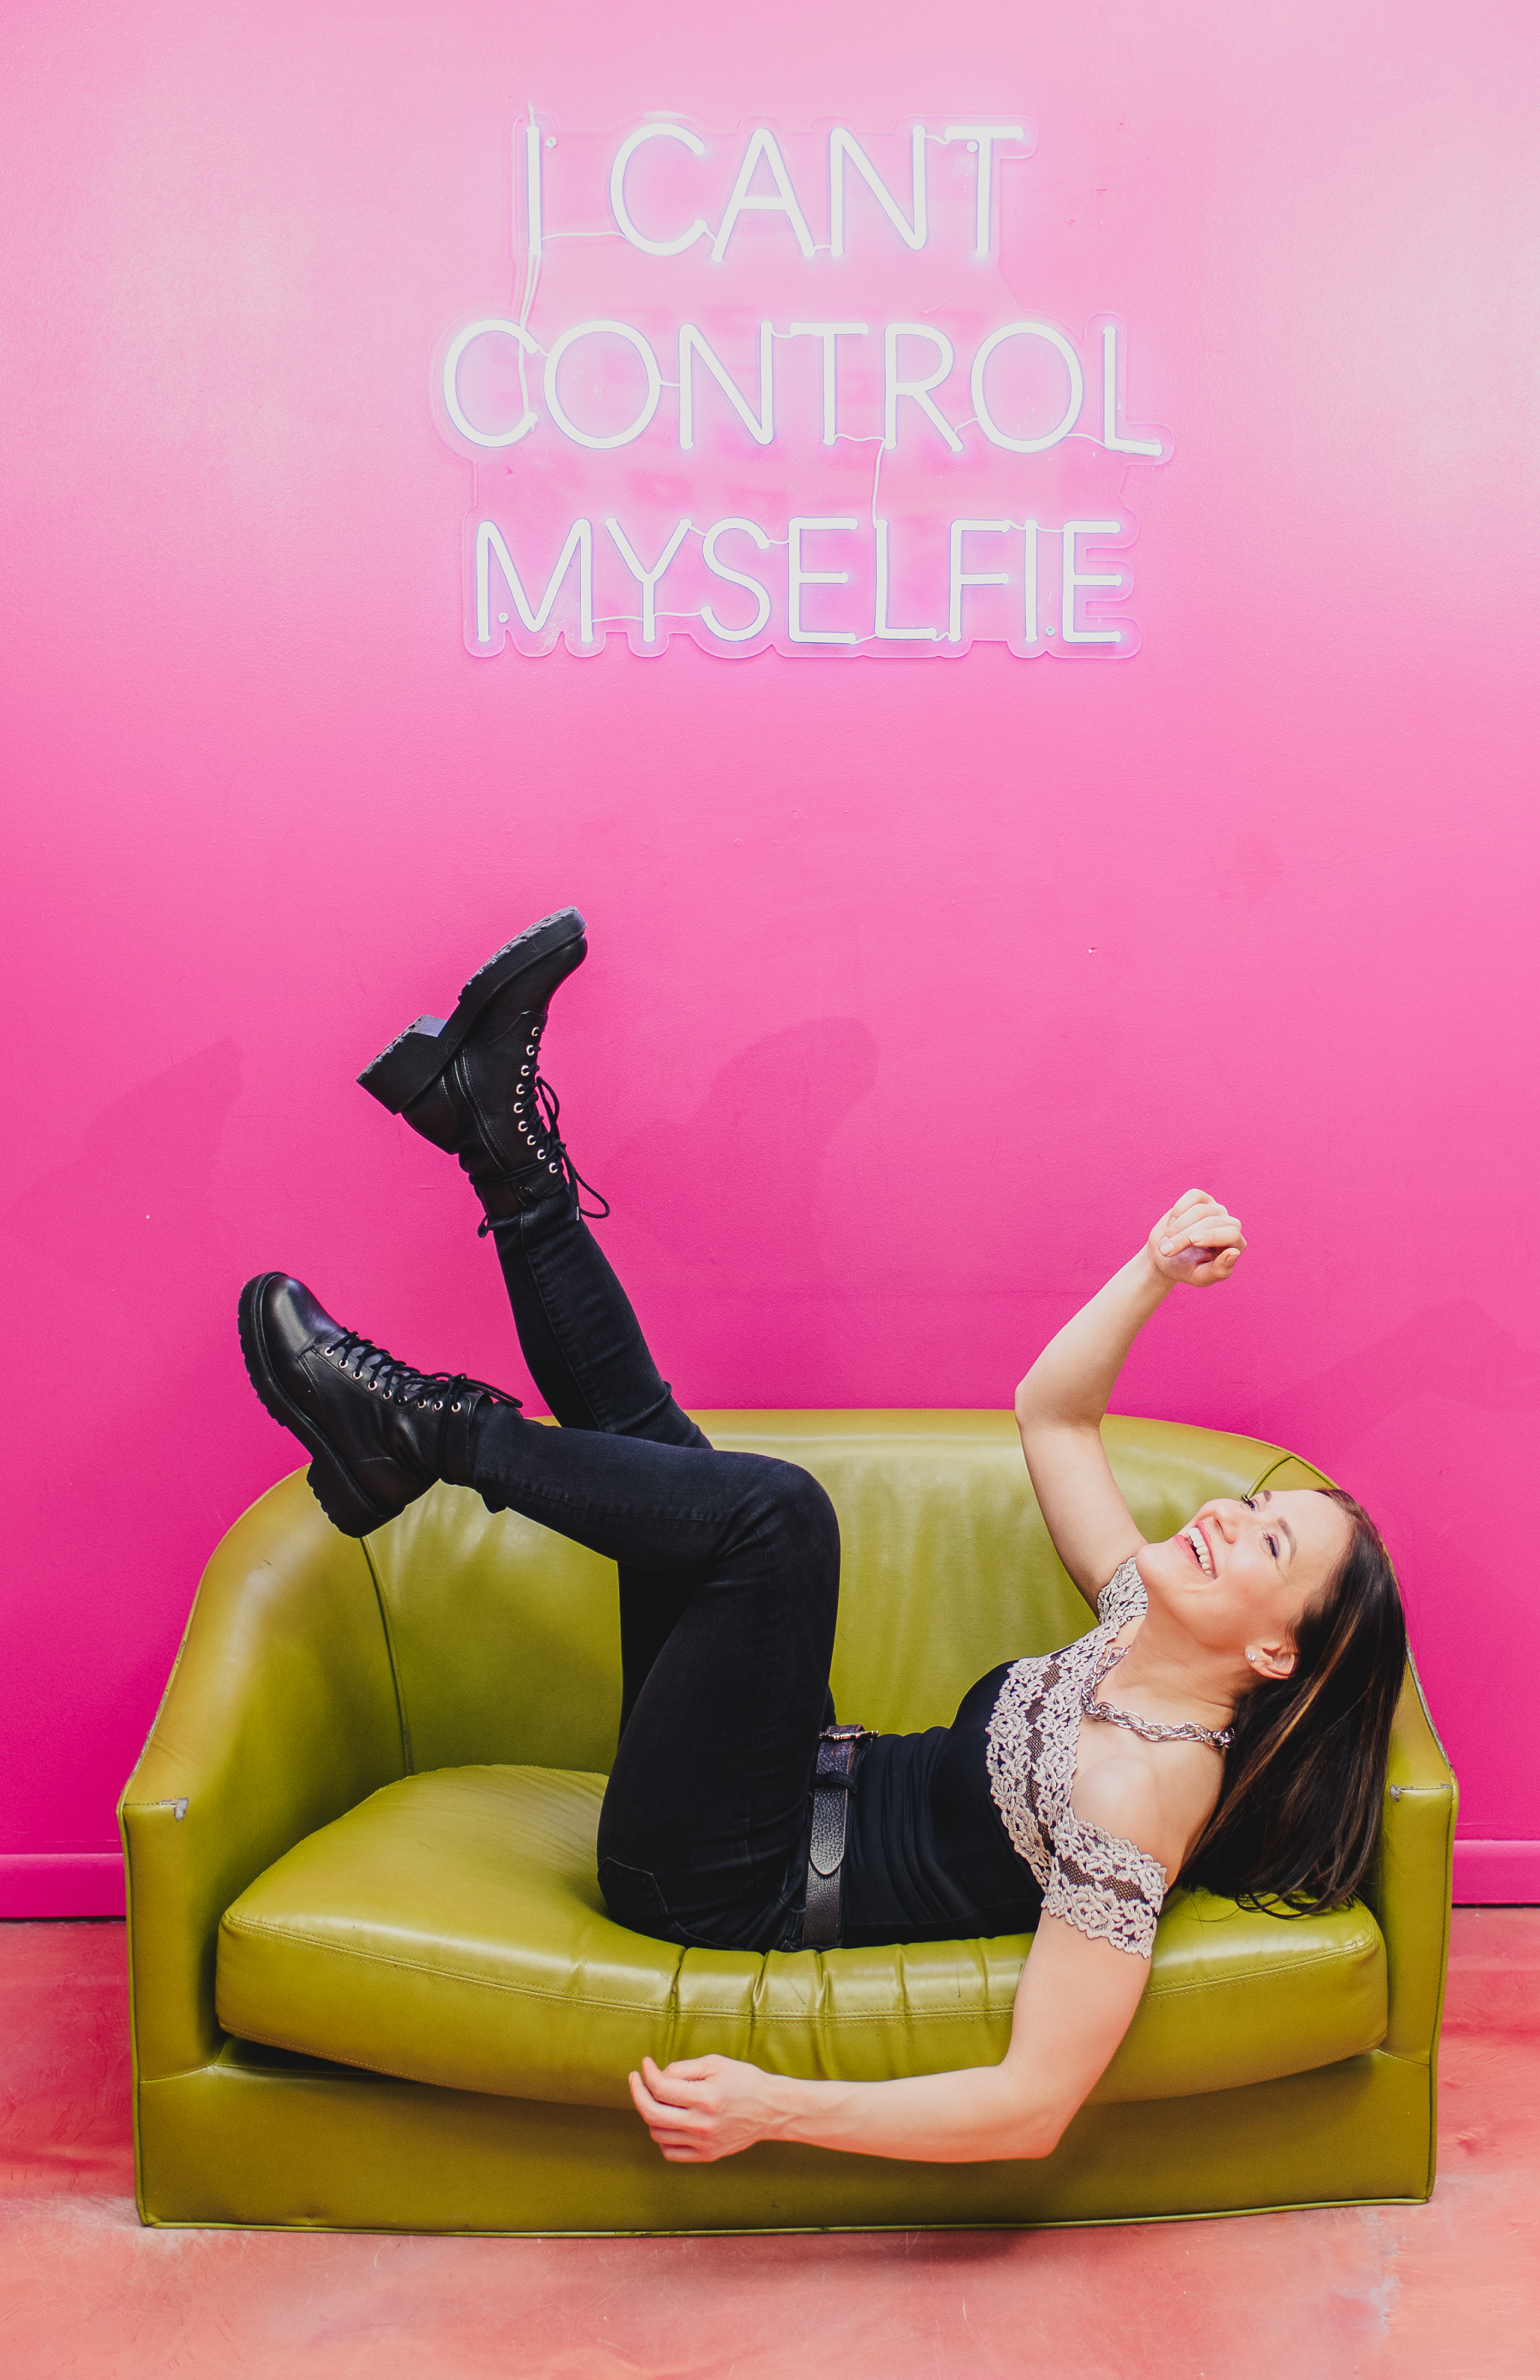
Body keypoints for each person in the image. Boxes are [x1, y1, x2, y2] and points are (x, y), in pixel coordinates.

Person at [239, 908, 1408, 2170]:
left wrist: (772, 2108)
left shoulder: (1136, 1805)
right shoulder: (1139, 1623)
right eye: (1253, 1507)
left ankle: (421, 1435)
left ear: (1279, 1657)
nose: (1229, 1517)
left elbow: (1028, 2108)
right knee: (655, 1453)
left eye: (1268, 1549)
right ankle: (492, 1134)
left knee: (774, 1516)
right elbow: (1054, 1417)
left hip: (719, 1880)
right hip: (773, 1778)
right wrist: (1151, 1268)